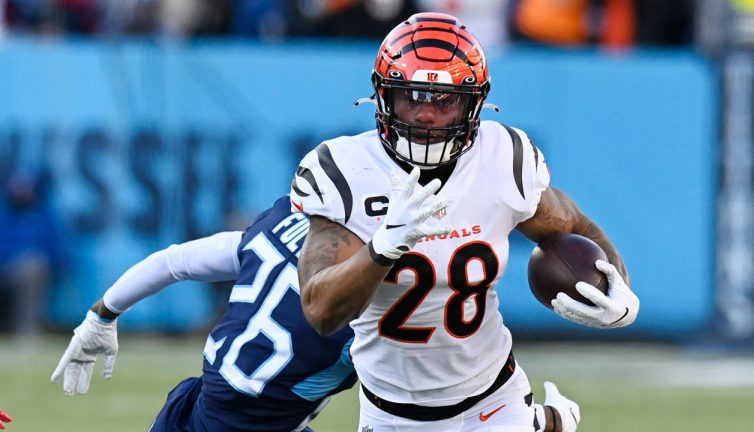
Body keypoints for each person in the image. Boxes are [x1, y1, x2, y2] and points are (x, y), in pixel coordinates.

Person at [291, 11, 639, 432]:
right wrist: (382, 249)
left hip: (493, 398)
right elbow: (320, 312)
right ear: (384, 97)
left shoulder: (502, 158)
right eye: (411, 96)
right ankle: (549, 423)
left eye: (444, 100)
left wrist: (621, 292)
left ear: (474, 103)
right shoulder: (346, 171)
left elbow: (573, 226)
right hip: (391, 414)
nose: (426, 115)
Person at [51, 195, 581, 431]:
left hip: (197, 404)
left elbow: (179, 261)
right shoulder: (360, 310)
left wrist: (102, 313)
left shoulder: (281, 226)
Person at [0, 170, 66, 336]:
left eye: (25, 188)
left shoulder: (44, 214)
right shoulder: (4, 213)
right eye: (17, 188)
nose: (21, 192)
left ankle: (27, 331)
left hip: (30, 273)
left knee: (34, 266)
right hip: (5, 269)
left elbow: (58, 252)